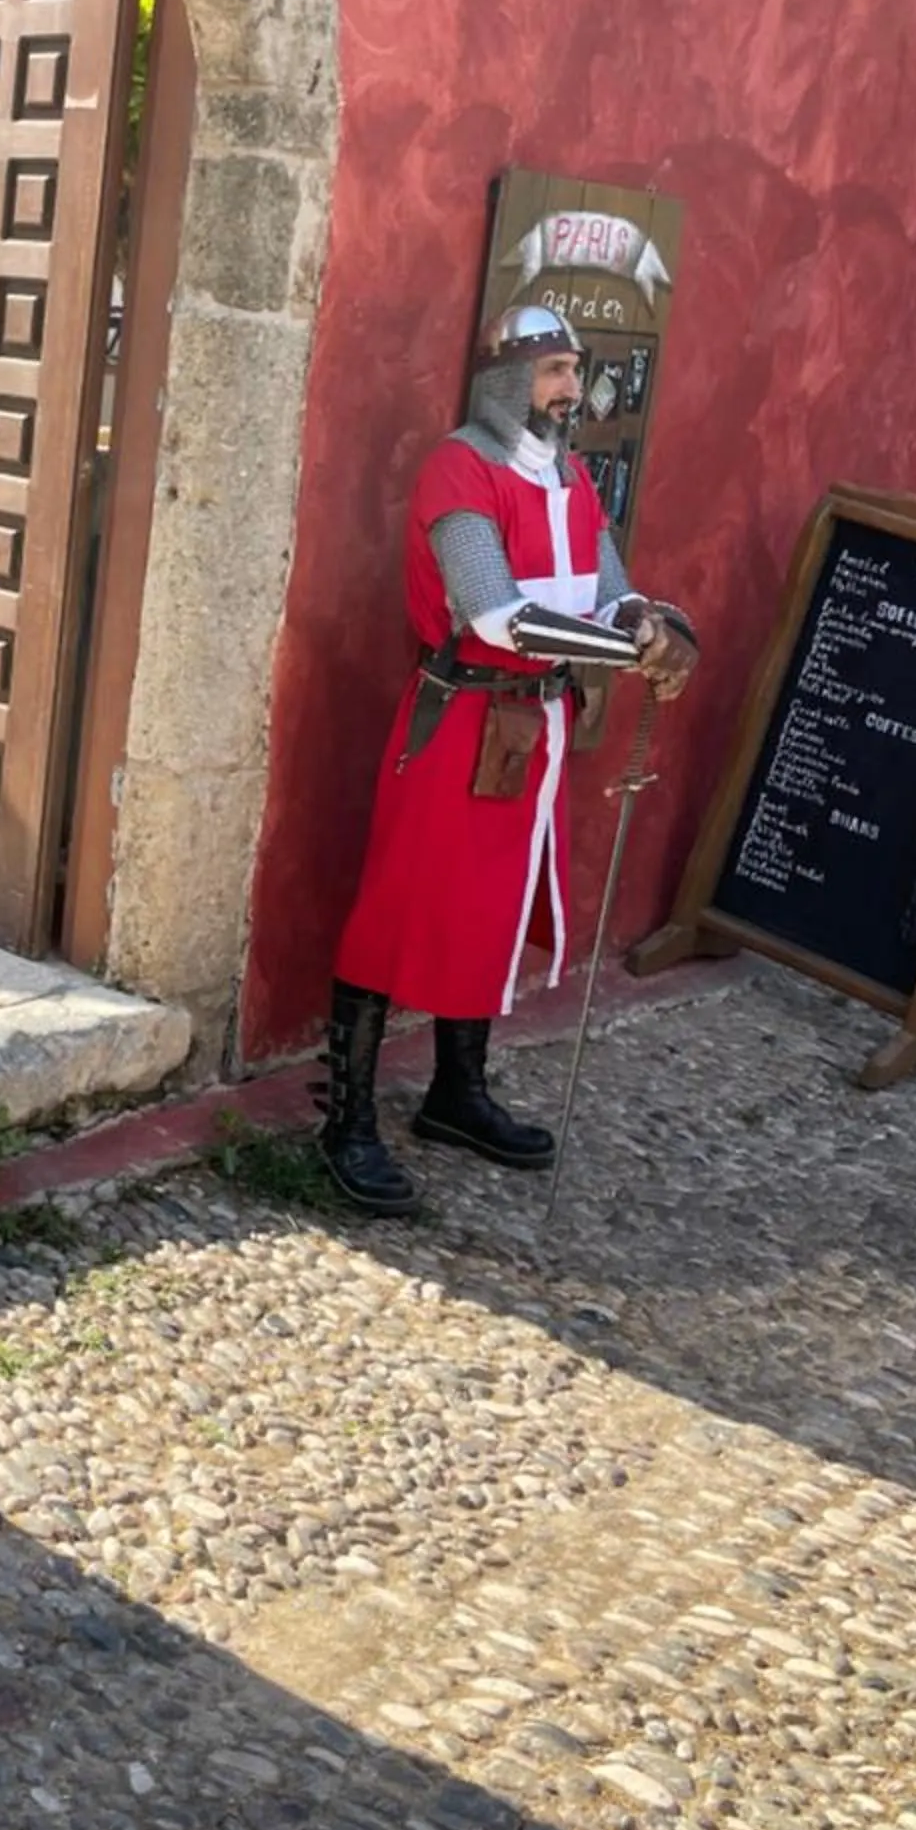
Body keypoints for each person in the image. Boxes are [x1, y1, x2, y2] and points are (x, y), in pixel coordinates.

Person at [320, 303, 697, 1211]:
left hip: (535, 730)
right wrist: (620, 652)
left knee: (491, 908)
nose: (571, 388)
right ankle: (347, 1121)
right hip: (459, 725)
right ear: (504, 380)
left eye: (574, 369)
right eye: (552, 371)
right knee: (401, 911)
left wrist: (651, 624)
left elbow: (609, 591)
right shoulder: (461, 470)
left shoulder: (567, 478)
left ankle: (457, 1093)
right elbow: (499, 617)